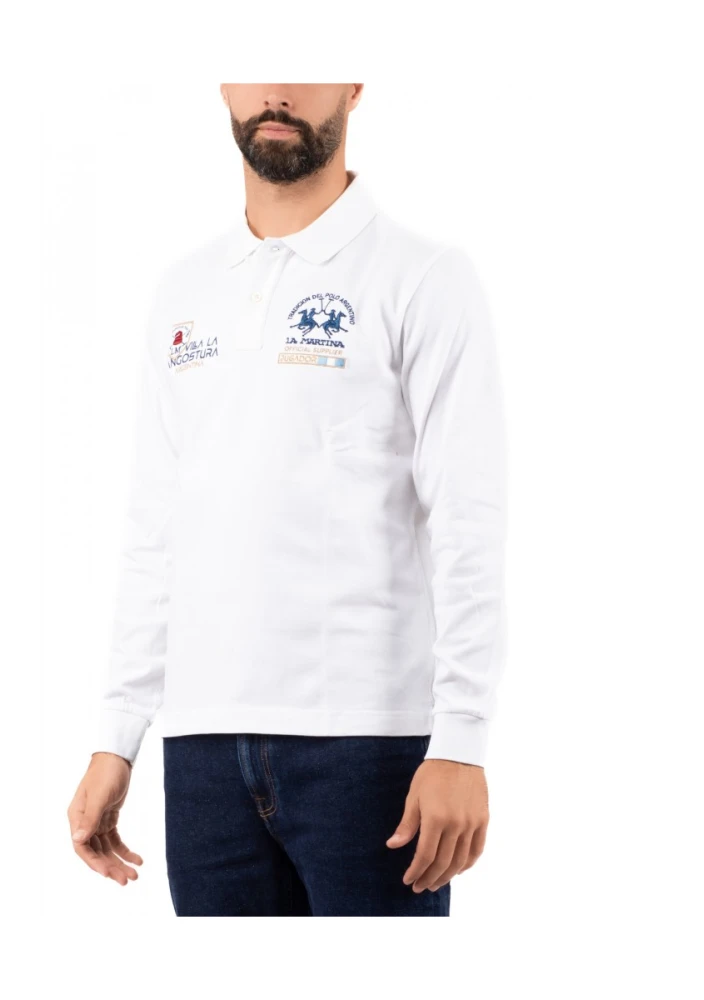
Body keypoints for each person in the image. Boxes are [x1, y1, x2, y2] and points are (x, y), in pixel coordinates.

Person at [67, 83, 508, 917]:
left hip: (367, 746)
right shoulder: (183, 290)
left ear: (353, 83)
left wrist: (462, 740)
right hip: (200, 752)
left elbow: (468, 519)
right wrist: (117, 734)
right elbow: (157, 528)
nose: (274, 91)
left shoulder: (422, 277)